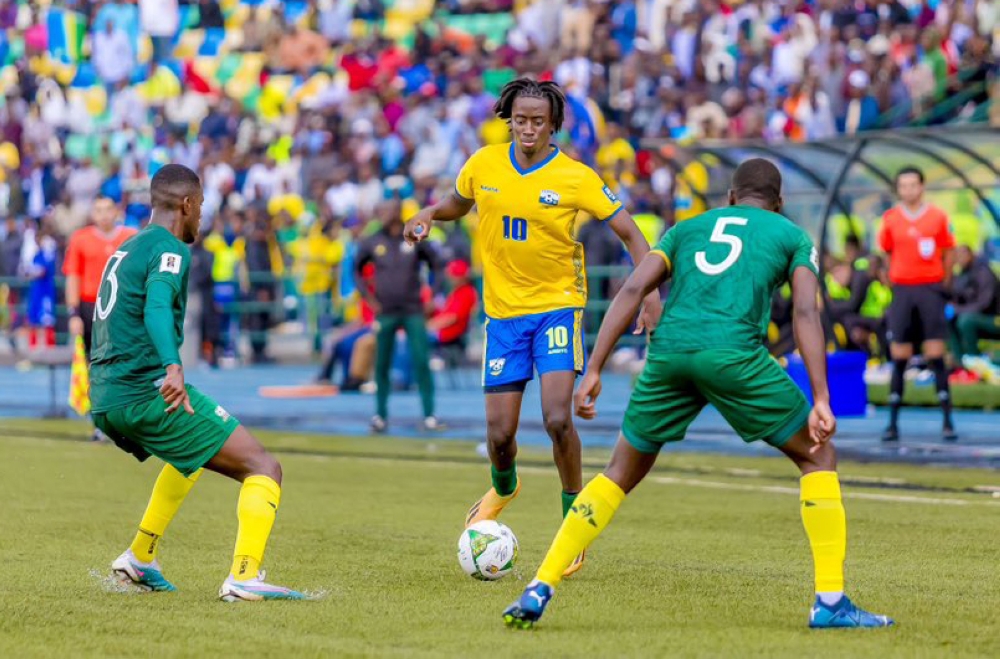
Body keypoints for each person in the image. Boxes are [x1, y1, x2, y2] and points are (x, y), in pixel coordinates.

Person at [502, 158, 893, 630]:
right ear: (779, 203)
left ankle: (540, 585)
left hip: (668, 356)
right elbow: (807, 315)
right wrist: (822, 398)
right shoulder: (791, 235)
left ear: (729, 197)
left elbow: (632, 289)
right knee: (818, 456)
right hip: (733, 355)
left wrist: (595, 369)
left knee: (618, 473)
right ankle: (831, 602)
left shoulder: (685, 230)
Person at [404, 78, 660, 578]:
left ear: (553, 125)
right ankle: (503, 488)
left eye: (537, 121)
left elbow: (630, 232)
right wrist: (431, 213)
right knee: (500, 435)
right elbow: (460, 203)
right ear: (509, 119)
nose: (527, 129)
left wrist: (649, 292)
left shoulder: (575, 176)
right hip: (502, 316)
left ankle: (573, 523)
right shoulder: (484, 164)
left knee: (557, 419)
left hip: (558, 309)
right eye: (519, 120)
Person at [90, 164, 305, 601]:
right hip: (144, 391)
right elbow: (154, 307)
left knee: (188, 454)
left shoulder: (128, 248)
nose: (202, 215)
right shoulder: (171, 249)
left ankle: (139, 557)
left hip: (108, 396)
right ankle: (244, 576)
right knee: (264, 467)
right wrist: (172, 366)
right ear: (187, 205)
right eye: (202, 205)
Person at [878, 167, 957, 442]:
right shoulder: (890, 219)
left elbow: (949, 252)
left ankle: (947, 421)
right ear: (898, 189)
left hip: (930, 289)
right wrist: (894, 280)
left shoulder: (937, 217)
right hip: (903, 290)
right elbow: (886, 253)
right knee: (899, 354)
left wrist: (943, 284)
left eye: (913, 184)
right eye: (903, 185)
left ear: (922, 187)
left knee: (936, 353)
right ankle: (892, 424)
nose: (909, 190)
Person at [358, 200, 441, 432]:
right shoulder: (373, 240)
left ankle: (429, 414)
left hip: (413, 309)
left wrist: (432, 295)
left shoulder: (413, 236)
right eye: (382, 209)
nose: (385, 213)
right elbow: (356, 269)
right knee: (382, 363)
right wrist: (368, 298)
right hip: (385, 311)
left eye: (389, 209)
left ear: (398, 211)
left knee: (421, 360)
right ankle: (380, 414)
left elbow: (437, 264)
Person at [63, 197, 137, 441]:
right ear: (92, 214)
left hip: (122, 307)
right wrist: (73, 313)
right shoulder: (80, 239)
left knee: (124, 363)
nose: (104, 215)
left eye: (108, 210)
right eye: (98, 210)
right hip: (90, 307)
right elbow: (73, 276)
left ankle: (127, 420)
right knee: (95, 366)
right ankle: (100, 422)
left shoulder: (130, 236)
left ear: (117, 212)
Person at [949, 245, 1000, 364]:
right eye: (957, 256)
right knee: (950, 319)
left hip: (994, 318)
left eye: (962, 255)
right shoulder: (961, 274)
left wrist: (958, 310)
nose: (959, 259)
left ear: (970, 255)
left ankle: (975, 363)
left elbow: (984, 303)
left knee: (966, 320)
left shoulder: (983, 272)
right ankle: (960, 364)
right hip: (975, 317)